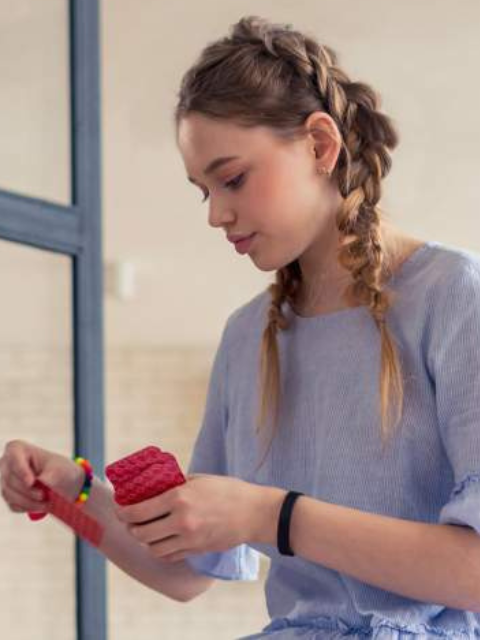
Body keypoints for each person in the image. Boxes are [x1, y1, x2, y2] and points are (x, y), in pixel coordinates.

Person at [2, 14, 480, 639]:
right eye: (203, 191)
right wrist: (75, 491)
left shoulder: (455, 298)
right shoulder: (247, 337)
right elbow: (186, 573)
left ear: (319, 144)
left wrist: (272, 516)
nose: (217, 214)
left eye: (232, 178)